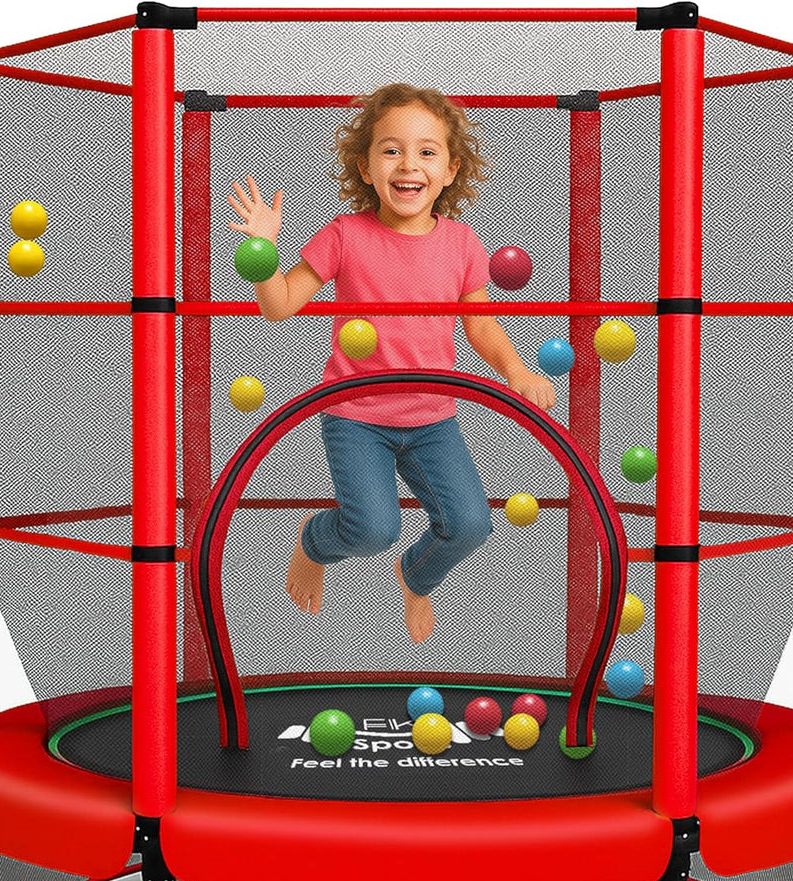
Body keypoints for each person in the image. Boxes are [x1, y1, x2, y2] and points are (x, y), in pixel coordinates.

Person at [228, 83, 554, 644]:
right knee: (373, 530)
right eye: (391, 150)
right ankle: (312, 541)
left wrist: (517, 369)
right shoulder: (344, 235)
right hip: (356, 415)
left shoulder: (462, 243)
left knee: (471, 524)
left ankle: (416, 576)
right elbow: (279, 307)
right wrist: (263, 251)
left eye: (427, 152)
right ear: (366, 165)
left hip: (433, 419)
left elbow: (480, 326)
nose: (409, 165)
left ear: (451, 169)